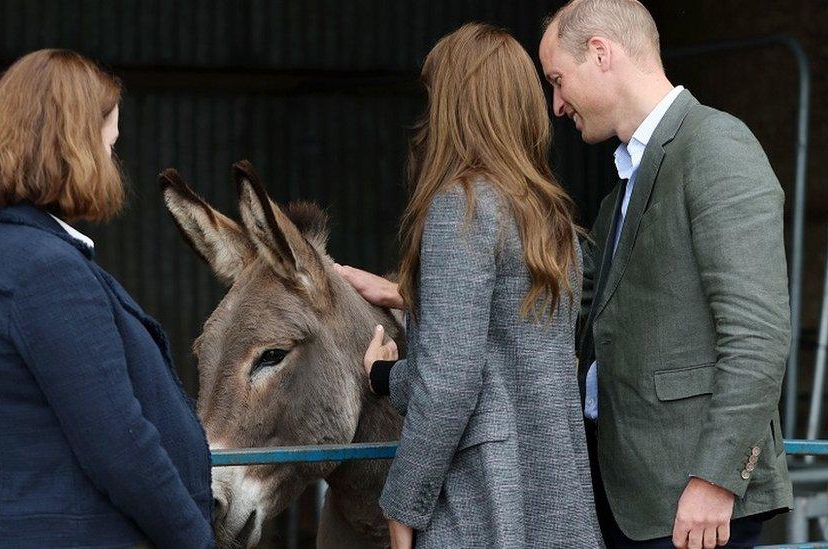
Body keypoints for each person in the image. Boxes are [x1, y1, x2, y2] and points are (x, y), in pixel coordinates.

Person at [537, 0, 793, 547]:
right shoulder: (619, 194)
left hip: (692, 506)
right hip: (633, 500)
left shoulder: (715, 145)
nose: (557, 105)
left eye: (559, 80)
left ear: (600, 53)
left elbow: (758, 337)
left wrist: (715, 480)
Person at [339, 22, 603, 549]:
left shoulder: (459, 207)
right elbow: (502, 358)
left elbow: (451, 383)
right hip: (557, 494)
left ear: (454, 107)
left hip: (485, 502)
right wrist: (391, 372)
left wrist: (403, 502)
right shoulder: (551, 219)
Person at [0, 49, 214, 548]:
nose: (112, 159)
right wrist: (195, 540)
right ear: (74, 146)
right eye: (109, 145)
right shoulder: (46, 270)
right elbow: (119, 446)